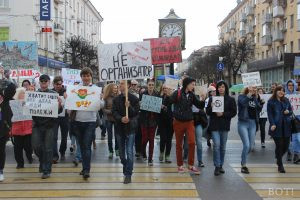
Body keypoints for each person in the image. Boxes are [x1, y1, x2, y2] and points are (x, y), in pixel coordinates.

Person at [168, 77, 205, 174]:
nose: (193, 86)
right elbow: (169, 102)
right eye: (192, 84)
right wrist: (168, 94)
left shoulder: (192, 95)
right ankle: (180, 165)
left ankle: (191, 165)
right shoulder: (178, 93)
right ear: (187, 84)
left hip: (189, 122)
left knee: (192, 142)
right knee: (179, 145)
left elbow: (199, 105)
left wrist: (203, 99)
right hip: (178, 122)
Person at [71, 67, 103, 179]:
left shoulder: (95, 89)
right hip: (78, 121)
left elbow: (101, 106)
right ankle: (84, 168)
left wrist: (100, 99)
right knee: (82, 145)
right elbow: (70, 106)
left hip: (90, 122)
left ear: (91, 77)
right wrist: (67, 99)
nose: (86, 78)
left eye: (88, 75)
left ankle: (86, 170)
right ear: (81, 77)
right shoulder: (75, 89)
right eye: (84, 76)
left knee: (87, 146)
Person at [31, 74, 63, 179]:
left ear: (49, 83)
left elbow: (59, 111)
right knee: (36, 146)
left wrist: (59, 105)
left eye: (45, 82)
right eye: (42, 82)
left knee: (48, 148)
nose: (44, 84)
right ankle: (42, 160)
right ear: (39, 83)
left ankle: (46, 170)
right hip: (37, 124)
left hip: (50, 125)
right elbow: (29, 109)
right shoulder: (34, 94)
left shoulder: (54, 94)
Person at [206, 80, 237, 176]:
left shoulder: (230, 100)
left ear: (225, 88)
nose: (221, 88)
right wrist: (211, 108)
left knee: (223, 147)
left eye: (223, 87)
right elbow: (207, 112)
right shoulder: (212, 99)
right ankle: (217, 166)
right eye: (219, 87)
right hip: (215, 125)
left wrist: (223, 114)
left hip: (224, 125)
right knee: (216, 145)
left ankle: (221, 165)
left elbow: (233, 112)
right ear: (217, 89)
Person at [112, 80, 139, 184]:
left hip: (130, 129)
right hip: (119, 129)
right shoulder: (116, 99)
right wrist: (121, 118)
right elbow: (114, 112)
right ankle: (126, 165)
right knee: (122, 155)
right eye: (120, 83)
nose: (120, 85)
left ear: (128, 85)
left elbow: (136, 113)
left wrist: (130, 107)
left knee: (129, 152)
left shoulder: (134, 99)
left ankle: (128, 174)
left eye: (122, 83)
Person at [237, 86, 263, 174]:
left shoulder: (255, 98)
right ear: (248, 88)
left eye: (255, 88)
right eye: (252, 88)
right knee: (247, 145)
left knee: (251, 147)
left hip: (253, 123)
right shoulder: (242, 96)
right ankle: (243, 165)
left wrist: (261, 103)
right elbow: (243, 103)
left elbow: (258, 109)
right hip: (243, 123)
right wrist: (249, 94)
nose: (254, 90)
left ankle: (242, 159)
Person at [267, 86, 292, 173]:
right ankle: (280, 166)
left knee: (286, 146)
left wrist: (288, 112)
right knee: (279, 145)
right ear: (276, 91)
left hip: (286, 126)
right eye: (279, 90)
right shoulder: (271, 102)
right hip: (276, 127)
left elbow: (291, 111)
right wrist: (272, 124)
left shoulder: (286, 100)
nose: (281, 92)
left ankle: (278, 157)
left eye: (283, 91)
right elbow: (270, 114)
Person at [11, 87, 33, 169]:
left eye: (23, 93)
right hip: (17, 129)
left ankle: (29, 156)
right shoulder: (13, 104)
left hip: (28, 129)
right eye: (20, 93)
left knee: (28, 146)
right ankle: (20, 163)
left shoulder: (29, 102)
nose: (22, 95)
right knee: (17, 148)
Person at [139, 79, 159, 166]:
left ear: (154, 86)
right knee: (144, 139)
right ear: (147, 85)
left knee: (151, 139)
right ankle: (143, 151)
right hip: (144, 120)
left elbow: (158, 107)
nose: (151, 86)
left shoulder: (157, 94)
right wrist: (140, 104)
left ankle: (150, 158)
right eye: (149, 85)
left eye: (152, 85)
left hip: (153, 121)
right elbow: (140, 106)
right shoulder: (143, 94)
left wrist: (160, 106)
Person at [0, 78, 16, 182]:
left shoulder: (6, 99)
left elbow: (12, 87)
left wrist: (4, 78)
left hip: (2, 129)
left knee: (1, 150)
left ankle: (0, 171)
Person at [52, 76, 68, 163]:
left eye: (59, 84)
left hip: (65, 117)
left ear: (62, 84)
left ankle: (62, 151)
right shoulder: (50, 92)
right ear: (53, 84)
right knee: (54, 136)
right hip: (54, 117)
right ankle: (55, 155)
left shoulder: (66, 92)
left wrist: (67, 97)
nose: (58, 86)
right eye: (56, 84)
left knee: (64, 136)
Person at [285, 79, 300, 163]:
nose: (290, 86)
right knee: (288, 137)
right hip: (287, 120)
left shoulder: (298, 95)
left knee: (297, 138)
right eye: (289, 85)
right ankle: (289, 152)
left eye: (292, 85)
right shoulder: (284, 96)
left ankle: (296, 154)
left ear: (295, 86)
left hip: (297, 120)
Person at [157, 84, 173, 163]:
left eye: (166, 88)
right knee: (163, 139)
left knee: (169, 140)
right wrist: (160, 106)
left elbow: (172, 105)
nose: (165, 90)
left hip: (170, 122)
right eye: (163, 88)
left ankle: (167, 156)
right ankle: (161, 152)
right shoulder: (160, 98)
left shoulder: (171, 97)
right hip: (162, 121)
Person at [103, 83, 119, 159]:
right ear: (110, 89)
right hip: (108, 119)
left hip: (116, 119)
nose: (115, 89)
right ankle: (110, 151)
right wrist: (110, 111)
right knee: (109, 136)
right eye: (114, 88)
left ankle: (116, 149)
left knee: (117, 135)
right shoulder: (106, 98)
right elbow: (103, 109)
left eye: (116, 88)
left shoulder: (119, 97)